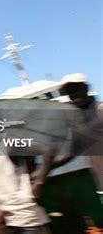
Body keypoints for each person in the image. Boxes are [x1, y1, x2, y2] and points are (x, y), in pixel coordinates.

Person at [40, 73, 103, 234]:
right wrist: (44, 170)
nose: (73, 95)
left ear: (86, 88)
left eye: (76, 89)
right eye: (68, 92)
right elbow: (72, 150)